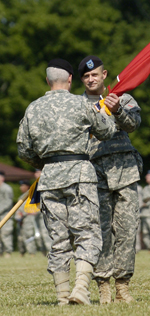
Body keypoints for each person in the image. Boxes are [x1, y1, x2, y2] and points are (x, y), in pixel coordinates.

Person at [16, 58, 117, 306]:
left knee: (58, 239)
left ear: (48, 81)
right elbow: (106, 132)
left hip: (49, 178)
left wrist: (46, 165)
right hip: (79, 174)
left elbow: (23, 148)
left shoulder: (33, 108)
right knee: (87, 234)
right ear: (71, 79)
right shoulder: (81, 103)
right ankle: (81, 289)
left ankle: (62, 296)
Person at [78, 55, 142, 304]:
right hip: (94, 173)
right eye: (86, 76)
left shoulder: (122, 97)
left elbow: (134, 124)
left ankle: (122, 286)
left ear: (104, 75)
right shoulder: (78, 105)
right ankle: (103, 285)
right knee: (100, 231)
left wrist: (118, 111)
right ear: (81, 79)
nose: (91, 79)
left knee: (127, 230)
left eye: (95, 74)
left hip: (125, 169)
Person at [15, 180, 39, 256]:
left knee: (29, 235)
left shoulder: (32, 196)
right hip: (20, 220)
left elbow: (37, 208)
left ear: (27, 187)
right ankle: (22, 252)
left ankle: (31, 252)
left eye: (23, 186)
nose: (21, 187)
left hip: (28, 219)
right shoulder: (20, 197)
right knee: (20, 237)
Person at [33, 169, 52, 255]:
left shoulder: (48, 182)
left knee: (47, 232)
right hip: (38, 214)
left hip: (48, 211)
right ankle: (45, 251)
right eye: (35, 172)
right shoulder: (36, 184)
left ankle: (50, 250)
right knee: (41, 233)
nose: (36, 174)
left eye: (38, 172)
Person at [0, 171, 14, 258]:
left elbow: (8, 202)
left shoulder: (7, 188)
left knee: (6, 234)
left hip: (5, 215)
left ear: (2, 178)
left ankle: (8, 252)